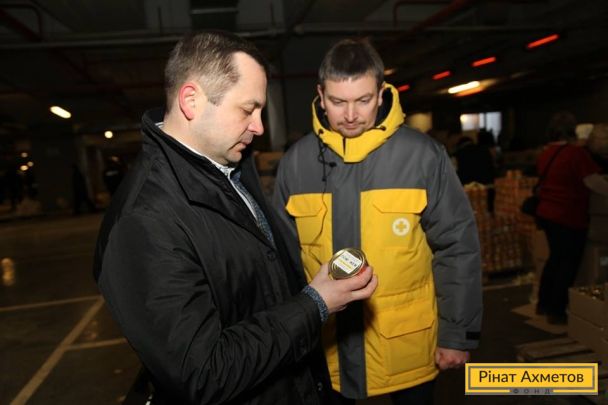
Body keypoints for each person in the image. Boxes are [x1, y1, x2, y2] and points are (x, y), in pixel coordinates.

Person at [93, 31, 378, 405]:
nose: (259, 126)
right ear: (191, 101)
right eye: (247, 109)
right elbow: (204, 374)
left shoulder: (229, 166)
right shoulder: (143, 221)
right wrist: (315, 304)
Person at [273, 38, 482, 404]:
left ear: (382, 93)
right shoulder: (296, 163)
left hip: (407, 346)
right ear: (320, 96)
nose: (350, 114)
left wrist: (456, 334)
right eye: (338, 101)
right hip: (325, 349)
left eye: (363, 100)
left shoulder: (422, 156)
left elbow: (457, 246)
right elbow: (280, 259)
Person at [535, 112, 608, 324]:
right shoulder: (575, 154)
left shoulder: (546, 153)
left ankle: (543, 303)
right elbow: (592, 182)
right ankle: (557, 311)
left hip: (547, 213)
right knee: (568, 264)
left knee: (555, 259)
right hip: (568, 215)